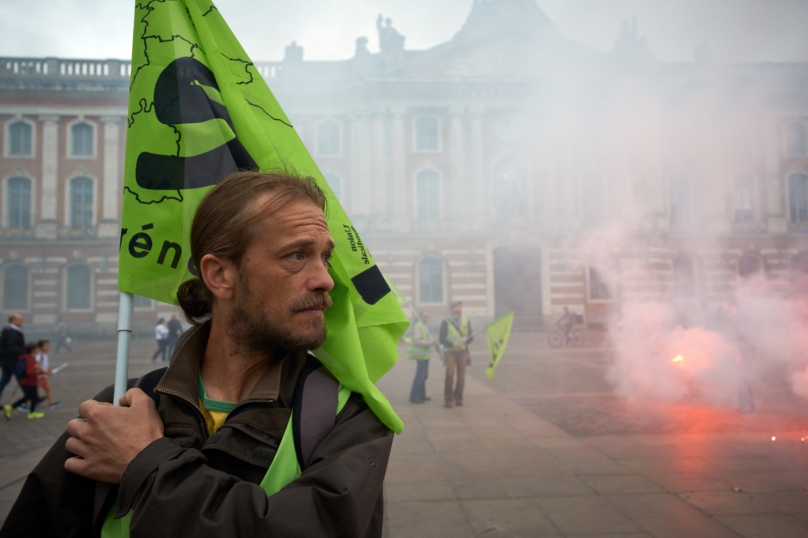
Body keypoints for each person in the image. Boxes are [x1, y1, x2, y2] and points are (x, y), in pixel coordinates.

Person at [3, 171, 393, 537]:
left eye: (324, 257)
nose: (326, 279)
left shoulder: (349, 417)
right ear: (220, 275)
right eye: (296, 255)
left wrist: (148, 464)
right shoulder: (119, 409)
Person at [439, 300, 474, 408]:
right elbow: (441, 339)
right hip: (450, 351)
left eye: (460, 306)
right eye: (457, 306)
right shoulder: (445, 322)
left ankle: (459, 398)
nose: (459, 308)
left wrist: (466, 340)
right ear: (452, 309)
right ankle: (448, 399)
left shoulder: (466, 321)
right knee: (450, 374)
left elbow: (471, 337)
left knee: (461, 376)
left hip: (462, 351)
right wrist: (451, 344)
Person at [3, 342, 45, 420]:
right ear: (32, 350)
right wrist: (41, 372)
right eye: (36, 349)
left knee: (29, 396)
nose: (37, 350)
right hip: (29, 382)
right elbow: (30, 372)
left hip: (25, 381)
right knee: (33, 397)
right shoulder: (30, 359)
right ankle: (31, 412)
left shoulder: (26, 358)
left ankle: (12, 408)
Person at [408, 310, 436, 404]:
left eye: (427, 316)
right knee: (419, 377)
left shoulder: (424, 326)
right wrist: (429, 343)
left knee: (423, 377)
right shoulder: (418, 326)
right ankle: (414, 397)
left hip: (424, 355)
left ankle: (422, 395)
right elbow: (417, 341)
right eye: (424, 316)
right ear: (420, 317)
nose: (426, 318)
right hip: (420, 355)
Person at [0, 313, 25, 403]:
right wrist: (24, 353)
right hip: (13, 362)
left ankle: (29, 397)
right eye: (20, 319)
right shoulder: (12, 332)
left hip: (7, 361)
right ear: (13, 320)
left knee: (4, 381)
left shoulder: (8, 330)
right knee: (22, 380)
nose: (22, 321)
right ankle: (29, 397)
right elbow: (12, 347)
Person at [34, 340, 61, 410]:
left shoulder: (44, 355)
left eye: (48, 346)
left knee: (48, 389)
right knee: (32, 391)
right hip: (38, 377)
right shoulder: (39, 356)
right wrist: (46, 372)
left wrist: (49, 369)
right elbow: (37, 366)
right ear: (40, 347)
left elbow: (43, 366)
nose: (48, 347)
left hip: (43, 377)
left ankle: (51, 403)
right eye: (46, 346)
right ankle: (24, 403)